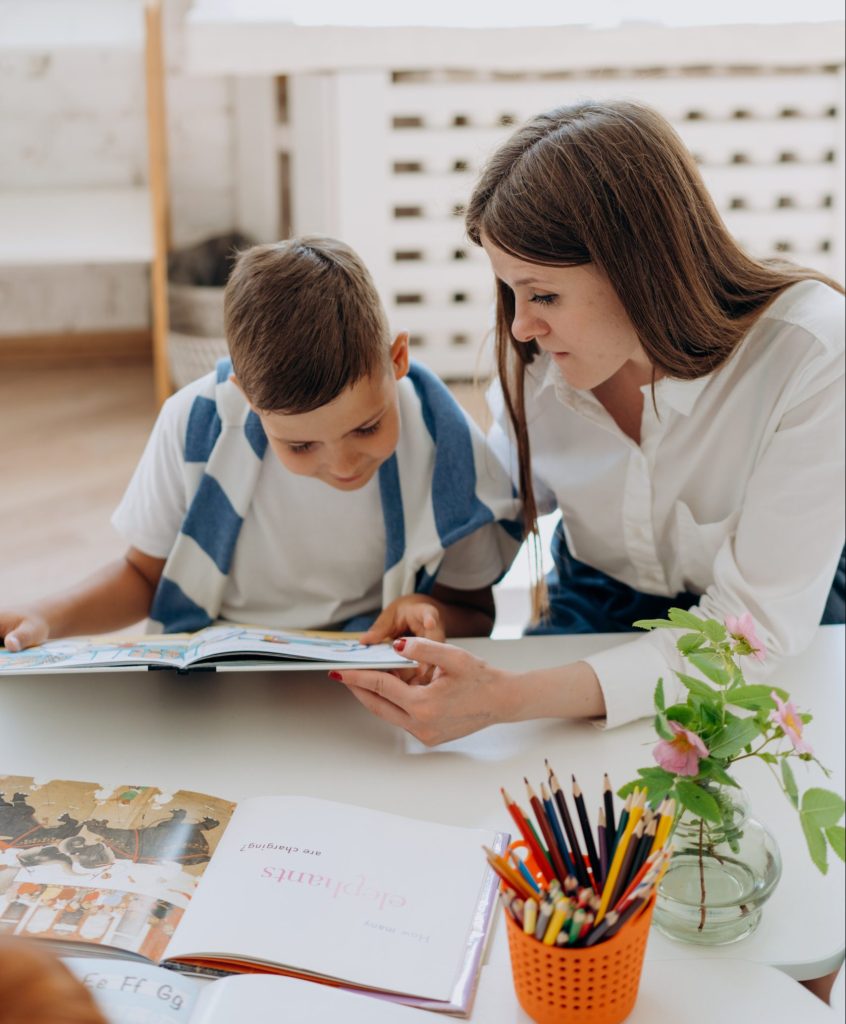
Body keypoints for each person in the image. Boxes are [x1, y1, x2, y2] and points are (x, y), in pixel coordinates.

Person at [330, 99, 845, 745]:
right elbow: (500, 512)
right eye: (512, 292)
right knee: (505, 773)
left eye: (543, 294)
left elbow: (753, 630)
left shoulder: (814, 351)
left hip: (777, 615)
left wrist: (508, 698)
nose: (521, 325)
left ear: (643, 268)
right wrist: (435, 607)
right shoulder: (540, 362)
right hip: (599, 602)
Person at [0, 237, 520, 652]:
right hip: (217, 662)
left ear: (398, 359)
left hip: (368, 667)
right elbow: (143, 576)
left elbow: (475, 613)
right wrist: (48, 615)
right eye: (300, 446)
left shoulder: (444, 444)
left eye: (365, 428)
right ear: (244, 397)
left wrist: (429, 615)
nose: (341, 464)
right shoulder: (194, 426)